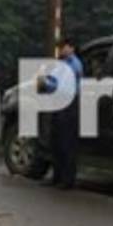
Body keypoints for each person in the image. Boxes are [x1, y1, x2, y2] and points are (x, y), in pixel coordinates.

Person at [39, 38, 83, 189]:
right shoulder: (61, 64)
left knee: (67, 143)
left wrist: (47, 83)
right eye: (61, 48)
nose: (62, 50)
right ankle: (56, 176)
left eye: (64, 47)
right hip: (58, 104)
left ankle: (67, 179)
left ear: (71, 48)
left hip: (69, 104)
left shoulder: (74, 65)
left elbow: (62, 86)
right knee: (56, 142)